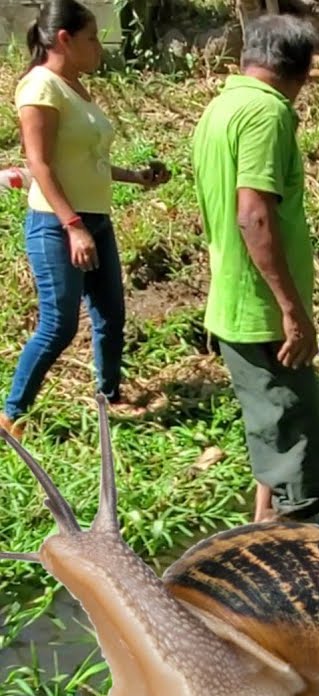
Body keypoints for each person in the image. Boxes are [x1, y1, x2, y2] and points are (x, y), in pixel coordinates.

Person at [1, 0, 171, 439]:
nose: (99, 47)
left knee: (111, 316)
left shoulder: (75, 87)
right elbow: (39, 164)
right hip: (56, 225)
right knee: (59, 325)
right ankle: (11, 415)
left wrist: (135, 177)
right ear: (64, 39)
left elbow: (86, 161)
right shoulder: (40, 87)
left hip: (95, 219)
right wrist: (73, 226)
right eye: (91, 38)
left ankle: (109, 397)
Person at [191, 14, 319, 523]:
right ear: (302, 70)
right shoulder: (266, 114)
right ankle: (290, 548)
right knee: (299, 438)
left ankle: (261, 524)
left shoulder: (220, 108)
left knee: (271, 427)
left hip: (233, 302)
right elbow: (252, 215)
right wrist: (291, 309)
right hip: (262, 311)